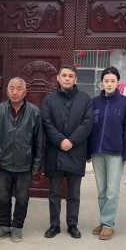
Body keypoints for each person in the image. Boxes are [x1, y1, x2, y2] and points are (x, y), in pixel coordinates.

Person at [41, 65, 93, 239]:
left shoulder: (85, 99)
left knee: (74, 194)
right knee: (54, 193)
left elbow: (87, 123)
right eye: (64, 75)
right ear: (58, 78)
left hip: (76, 151)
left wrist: (71, 141)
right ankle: (54, 225)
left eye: (71, 76)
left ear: (76, 79)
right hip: (55, 151)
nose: (67, 78)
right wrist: (60, 140)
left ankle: (72, 225)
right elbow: (46, 122)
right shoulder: (49, 100)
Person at [0, 77, 43, 243]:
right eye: (11, 88)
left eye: (18, 88)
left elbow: (39, 142)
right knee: (3, 197)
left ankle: (17, 227)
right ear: (7, 91)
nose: (15, 92)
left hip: (25, 164)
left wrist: (36, 165)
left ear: (25, 92)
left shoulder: (34, 112)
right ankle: (4, 226)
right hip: (3, 164)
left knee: (22, 198)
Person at [88, 66, 126, 240]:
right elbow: (88, 128)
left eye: (112, 81)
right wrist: (87, 151)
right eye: (106, 81)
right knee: (101, 190)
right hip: (97, 152)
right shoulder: (94, 103)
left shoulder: (125, 103)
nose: (109, 84)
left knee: (112, 191)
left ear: (118, 83)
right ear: (101, 82)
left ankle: (108, 224)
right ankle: (103, 221)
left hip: (116, 152)